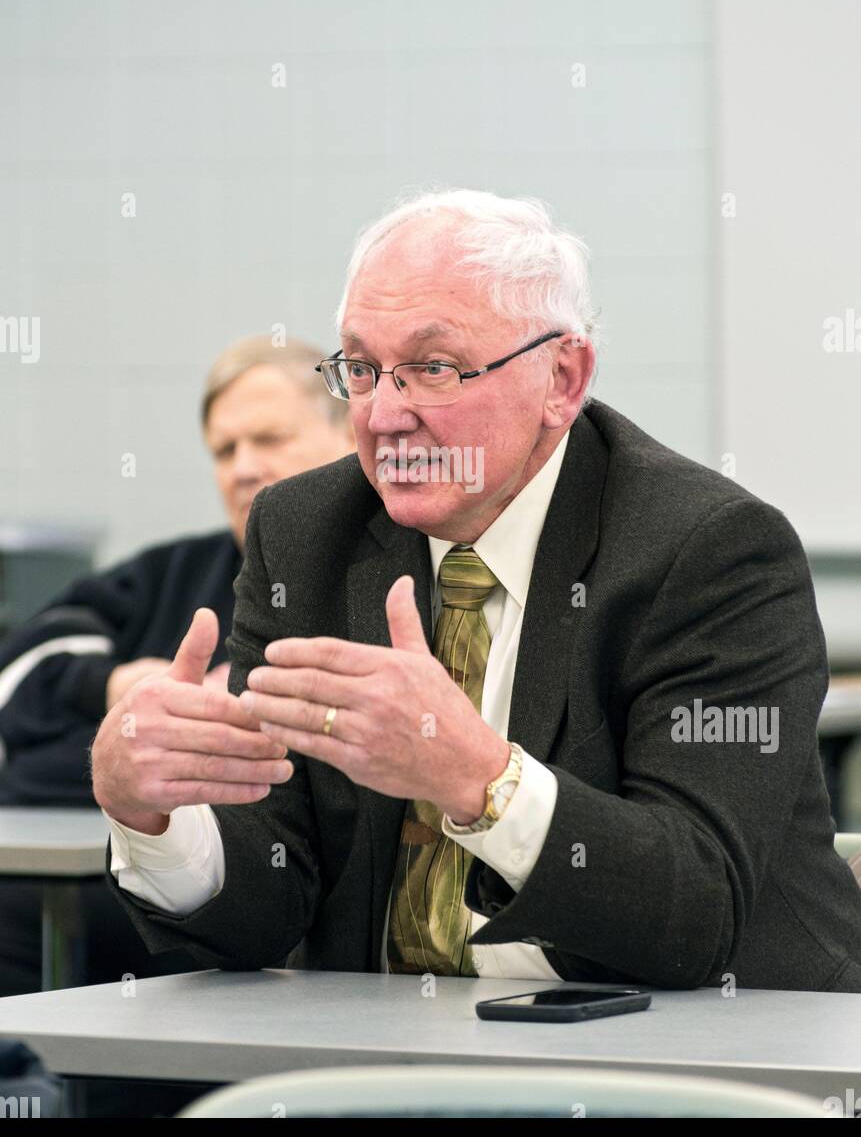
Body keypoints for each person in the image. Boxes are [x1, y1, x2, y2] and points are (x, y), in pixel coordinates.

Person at [93, 190, 861, 992]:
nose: (385, 416)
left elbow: (694, 909)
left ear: (562, 378)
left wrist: (481, 781)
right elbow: (272, 898)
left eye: (434, 368)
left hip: (707, 1054)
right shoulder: (304, 531)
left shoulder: (707, 549)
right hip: (387, 1063)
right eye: (360, 369)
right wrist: (151, 814)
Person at [0, 335, 354, 998]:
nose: (244, 468)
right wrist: (119, 691)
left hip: (232, 931)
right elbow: (20, 683)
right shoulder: (172, 573)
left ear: (350, 439)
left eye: (269, 438)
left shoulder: (369, 583)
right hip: (96, 890)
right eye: (225, 450)